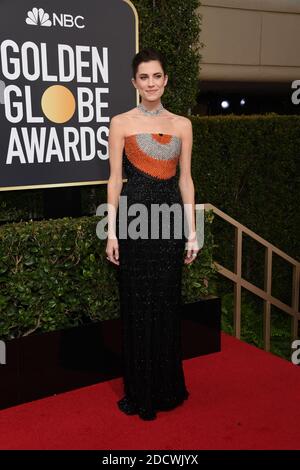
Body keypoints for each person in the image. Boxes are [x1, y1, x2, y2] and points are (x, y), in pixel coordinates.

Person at [106, 48, 200, 421]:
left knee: (165, 302)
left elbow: (187, 180)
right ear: (134, 82)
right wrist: (111, 233)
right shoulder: (121, 123)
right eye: (144, 77)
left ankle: (165, 387)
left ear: (165, 80)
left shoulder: (182, 125)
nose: (151, 83)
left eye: (157, 76)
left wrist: (192, 234)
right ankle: (140, 390)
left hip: (169, 222)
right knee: (136, 304)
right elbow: (114, 180)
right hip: (133, 220)